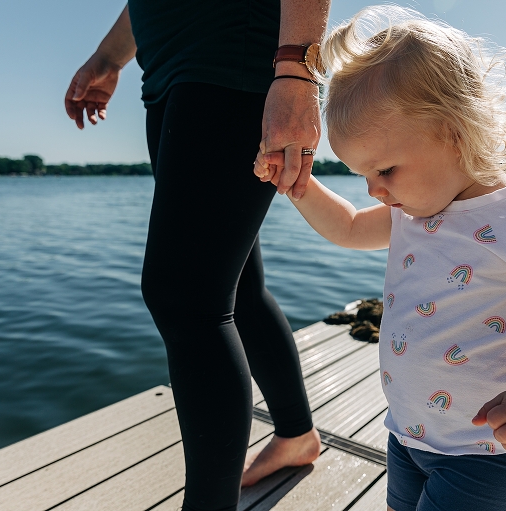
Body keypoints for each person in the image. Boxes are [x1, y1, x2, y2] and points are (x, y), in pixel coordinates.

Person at [255, 6, 506, 511]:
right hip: (408, 437)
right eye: (363, 176)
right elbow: (349, 227)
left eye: (384, 169)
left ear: (454, 131)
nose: (374, 191)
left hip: (489, 450)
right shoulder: (411, 212)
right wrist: (300, 187)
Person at [64, 1, 330, 509]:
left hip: (231, 60)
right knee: (232, 288)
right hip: (168, 75)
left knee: (187, 299)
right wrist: (109, 58)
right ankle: (296, 435)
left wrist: (297, 69)